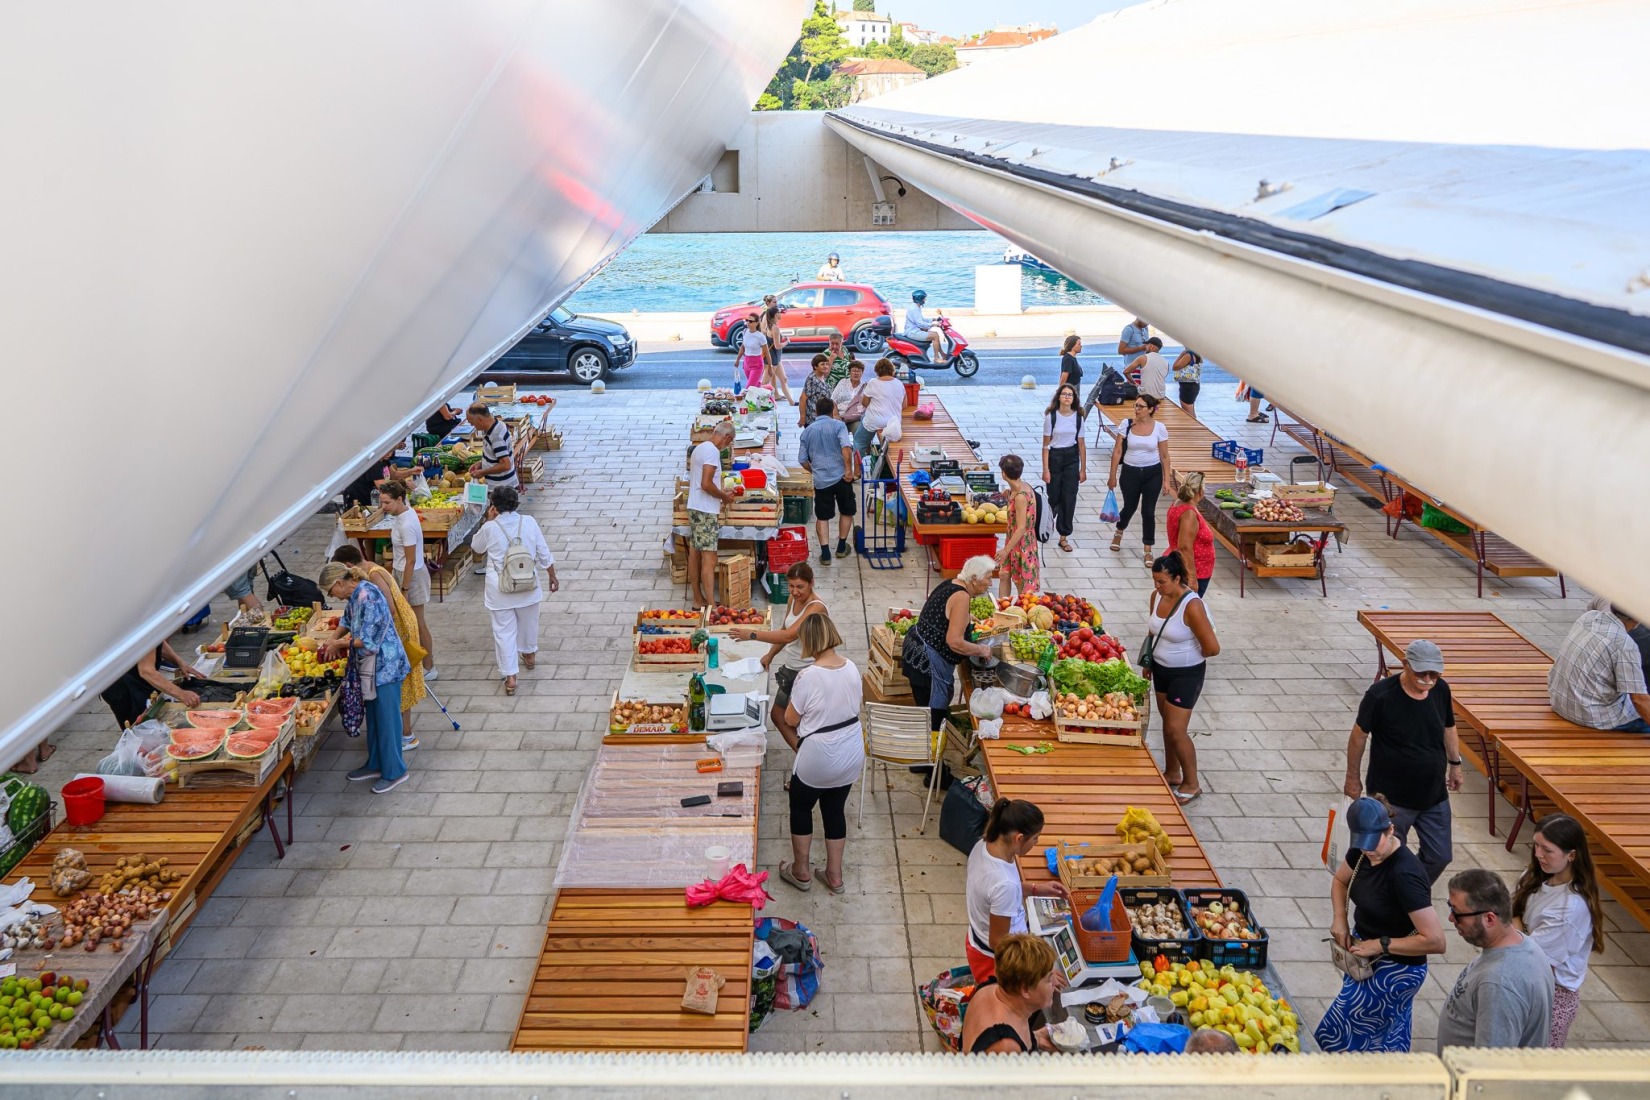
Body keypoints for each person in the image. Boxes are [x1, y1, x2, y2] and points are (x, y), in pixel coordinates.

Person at [1315, 795, 1448, 1052]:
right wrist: (1340, 918)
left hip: (1396, 968)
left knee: (1340, 1026)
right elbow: (1340, 881)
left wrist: (1380, 944)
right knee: (1384, 1031)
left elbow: (1435, 940)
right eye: (1362, 844)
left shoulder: (1405, 875)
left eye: (1373, 844)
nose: (1368, 852)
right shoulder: (1361, 852)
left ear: (1390, 829)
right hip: (1364, 955)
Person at [1343, 638, 1461, 885]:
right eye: (1422, 673)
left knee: (1440, 855)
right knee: (1388, 855)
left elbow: (1449, 728)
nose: (1428, 680)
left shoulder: (1441, 690)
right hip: (1391, 798)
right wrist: (1352, 778)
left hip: (1433, 794)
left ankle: (1411, 888)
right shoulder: (1380, 695)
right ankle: (1395, 896)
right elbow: (1358, 736)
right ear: (1405, 665)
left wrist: (1455, 764)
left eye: (1434, 674)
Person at [773, 615, 863, 894]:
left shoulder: (808, 676)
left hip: (819, 756)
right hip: (851, 750)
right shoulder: (851, 667)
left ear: (809, 641)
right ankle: (834, 876)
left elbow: (789, 719)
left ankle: (801, 871)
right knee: (834, 809)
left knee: (801, 807)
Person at [1511, 814, 1605, 1047]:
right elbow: (1512, 913)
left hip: (1551, 995)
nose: (1538, 854)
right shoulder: (1536, 874)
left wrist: (1516, 926)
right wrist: (1518, 928)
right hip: (1527, 980)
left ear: (1571, 855)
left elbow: (1530, 957)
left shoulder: (1570, 909)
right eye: (1536, 845)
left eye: (1547, 850)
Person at [317, 562, 411, 794]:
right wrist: (334, 637)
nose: (333, 596)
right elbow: (347, 621)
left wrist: (339, 643)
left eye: (331, 592)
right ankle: (376, 763)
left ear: (339, 583)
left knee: (387, 720)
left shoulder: (367, 596)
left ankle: (395, 771)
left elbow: (367, 641)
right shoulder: (355, 596)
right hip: (371, 667)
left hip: (385, 665)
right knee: (375, 717)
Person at [1437, 868, 1555, 1052]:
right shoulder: (1522, 944)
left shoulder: (1499, 985)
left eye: (1457, 912)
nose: (1451, 918)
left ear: (1489, 919)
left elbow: (1490, 1066)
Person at [330, 545, 428, 751]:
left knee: (402, 686)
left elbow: (390, 610)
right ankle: (400, 735)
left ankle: (405, 736)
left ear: (348, 566)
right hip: (393, 630)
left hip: (398, 630)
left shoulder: (371, 579)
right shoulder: (367, 573)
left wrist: (371, 634)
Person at [965, 798, 1069, 982]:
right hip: (995, 963)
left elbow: (994, 893)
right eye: (1035, 838)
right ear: (1019, 838)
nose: (1036, 843)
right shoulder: (1004, 884)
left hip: (976, 938)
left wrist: (1036, 889)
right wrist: (1041, 973)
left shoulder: (983, 846)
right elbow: (998, 942)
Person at [468, 486, 558, 696]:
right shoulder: (529, 522)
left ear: (494, 506)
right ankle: (529, 655)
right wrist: (552, 575)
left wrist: (488, 521)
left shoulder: (490, 528)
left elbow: (477, 547)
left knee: (503, 632)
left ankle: (510, 677)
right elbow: (544, 552)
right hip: (527, 583)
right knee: (529, 622)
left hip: (499, 589)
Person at [1146, 553, 1219, 805]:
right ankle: (1172, 772)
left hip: (1186, 674)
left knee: (1177, 729)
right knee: (1167, 724)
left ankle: (1192, 783)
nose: (1157, 586)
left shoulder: (1193, 606)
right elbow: (1153, 629)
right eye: (1155, 580)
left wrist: (1184, 656)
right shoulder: (1156, 597)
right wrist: (1149, 660)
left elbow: (1212, 648)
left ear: (1177, 578)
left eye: (1162, 581)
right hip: (1160, 670)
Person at [730, 562, 826, 752]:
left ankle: (808, 757)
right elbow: (784, 629)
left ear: (812, 583)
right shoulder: (792, 599)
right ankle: (804, 754)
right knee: (779, 715)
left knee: (794, 718)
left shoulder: (816, 608)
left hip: (808, 672)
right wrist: (770, 654)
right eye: (791, 586)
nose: (795, 591)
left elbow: (790, 635)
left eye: (800, 586)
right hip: (791, 669)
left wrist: (752, 634)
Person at [912, 557, 997, 735]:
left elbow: (945, 615)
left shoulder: (952, 583)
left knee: (926, 714)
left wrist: (965, 617)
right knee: (931, 718)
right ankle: (926, 760)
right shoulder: (962, 596)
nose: (991, 582)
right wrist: (982, 649)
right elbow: (955, 642)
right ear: (974, 579)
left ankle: (930, 757)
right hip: (927, 663)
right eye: (988, 578)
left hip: (915, 651)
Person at [1547, 603, 1650, 732]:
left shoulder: (1588, 617)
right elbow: (1639, 700)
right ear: (1637, 619)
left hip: (1561, 703)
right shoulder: (1624, 645)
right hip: (1595, 717)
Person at [959, 934, 1062, 1054]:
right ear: (1025, 990)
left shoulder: (990, 988)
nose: (1055, 982)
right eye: (1049, 979)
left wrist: (1035, 1038)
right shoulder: (1005, 1046)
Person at [378, 481, 437, 682]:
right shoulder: (405, 512)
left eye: (386, 502)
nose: (383, 506)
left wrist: (404, 588)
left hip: (411, 576)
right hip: (402, 572)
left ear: (399, 500)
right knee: (407, 622)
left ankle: (430, 666)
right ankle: (415, 661)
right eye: (382, 502)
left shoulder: (407, 524)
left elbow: (411, 559)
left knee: (419, 623)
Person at [1106, 394, 1172, 566]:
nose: (1136, 409)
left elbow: (1165, 456)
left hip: (1153, 473)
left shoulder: (1159, 428)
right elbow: (1117, 452)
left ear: (1150, 410)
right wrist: (1112, 475)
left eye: (1140, 406)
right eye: (1135, 405)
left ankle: (1148, 549)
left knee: (1148, 511)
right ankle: (1119, 531)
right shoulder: (1126, 425)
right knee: (1130, 506)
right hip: (1130, 472)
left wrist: (1166, 480)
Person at [94, 641, 207, 737]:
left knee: (150, 722)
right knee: (138, 729)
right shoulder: (145, 622)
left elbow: (157, 642)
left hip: (133, 675)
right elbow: (147, 671)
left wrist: (178, 661)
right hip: (120, 682)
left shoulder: (153, 622)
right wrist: (181, 694)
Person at [797, 395, 857, 562]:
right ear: (832, 411)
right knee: (846, 510)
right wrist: (848, 470)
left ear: (816, 412)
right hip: (841, 478)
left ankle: (825, 554)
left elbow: (802, 459)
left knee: (822, 516)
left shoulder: (808, 431)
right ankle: (841, 547)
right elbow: (846, 448)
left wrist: (814, 469)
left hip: (821, 480)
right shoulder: (839, 426)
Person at [684, 422, 736, 607]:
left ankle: (698, 600)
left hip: (696, 506)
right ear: (727, 438)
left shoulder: (700, 448)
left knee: (695, 554)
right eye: (730, 443)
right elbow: (706, 484)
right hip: (705, 510)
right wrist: (724, 497)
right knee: (710, 558)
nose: (727, 446)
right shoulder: (713, 452)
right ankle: (712, 606)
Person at [1040, 383, 1086, 554]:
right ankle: (1045, 525)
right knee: (1054, 496)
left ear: (1074, 399)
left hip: (1071, 458)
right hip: (1055, 457)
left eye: (1070, 395)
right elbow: (1045, 446)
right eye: (1064, 394)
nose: (1067, 397)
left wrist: (1083, 469)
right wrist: (1046, 469)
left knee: (1069, 496)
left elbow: (1081, 445)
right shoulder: (1051, 418)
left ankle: (1063, 536)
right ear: (1058, 397)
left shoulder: (1078, 418)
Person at [994, 454, 1038, 600]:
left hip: (1022, 543)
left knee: (1022, 585)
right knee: (1004, 574)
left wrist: (1006, 550)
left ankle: (1023, 615)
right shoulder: (1019, 487)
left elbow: (1021, 528)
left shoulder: (1020, 497)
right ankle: (1002, 608)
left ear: (1004, 474)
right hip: (1013, 540)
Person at [1166, 471, 1216, 597]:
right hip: (1195, 571)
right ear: (1200, 491)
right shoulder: (1189, 513)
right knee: (1187, 611)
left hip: (1187, 567)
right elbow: (1184, 547)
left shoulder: (1179, 503)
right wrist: (1192, 577)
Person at [857, 357, 906, 458]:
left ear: (877, 371)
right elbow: (904, 405)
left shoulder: (873, 382)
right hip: (893, 422)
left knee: (859, 441)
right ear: (892, 370)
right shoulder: (899, 383)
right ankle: (870, 448)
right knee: (864, 418)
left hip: (876, 421)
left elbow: (864, 403)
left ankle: (858, 468)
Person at [465, 403, 518, 492]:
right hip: (503, 486)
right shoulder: (498, 424)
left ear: (480, 420)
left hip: (502, 490)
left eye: (472, 423)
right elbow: (496, 456)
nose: (472, 426)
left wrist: (483, 472)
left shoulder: (495, 437)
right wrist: (481, 464)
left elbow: (506, 465)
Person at [759, 304, 794, 405]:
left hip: (775, 358)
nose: (780, 314)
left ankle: (791, 402)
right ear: (775, 315)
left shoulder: (770, 326)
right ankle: (756, 400)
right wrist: (787, 342)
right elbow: (777, 346)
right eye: (779, 312)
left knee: (784, 379)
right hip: (773, 359)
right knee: (764, 383)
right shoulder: (775, 328)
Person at [831, 358, 869, 445]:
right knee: (838, 436)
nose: (856, 373)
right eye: (853, 371)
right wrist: (835, 414)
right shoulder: (843, 382)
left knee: (859, 432)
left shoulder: (865, 386)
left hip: (855, 418)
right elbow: (833, 399)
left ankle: (858, 455)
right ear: (849, 372)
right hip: (840, 416)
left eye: (858, 371)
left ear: (862, 373)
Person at [904, 289, 943, 363]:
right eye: (924, 298)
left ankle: (942, 354)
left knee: (934, 334)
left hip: (914, 330)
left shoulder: (915, 307)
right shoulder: (914, 309)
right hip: (913, 332)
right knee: (935, 336)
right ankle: (936, 358)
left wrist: (934, 319)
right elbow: (920, 323)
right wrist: (934, 324)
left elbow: (921, 319)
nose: (925, 300)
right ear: (920, 299)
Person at [800, 352, 834, 428]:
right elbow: (802, 399)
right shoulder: (812, 379)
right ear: (815, 366)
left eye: (826, 364)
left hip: (823, 417)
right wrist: (802, 417)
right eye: (822, 364)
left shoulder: (822, 376)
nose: (825, 366)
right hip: (813, 420)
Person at [737, 312, 768, 392]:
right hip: (747, 363)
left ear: (757, 323)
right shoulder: (745, 332)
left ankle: (747, 404)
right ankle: (766, 398)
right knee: (755, 386)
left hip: (757, 364)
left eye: (750, 321)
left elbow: (766, 352)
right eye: (747, 320)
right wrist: (737, 360)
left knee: (749, 389)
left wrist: (770, 367)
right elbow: (742, 347)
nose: (748, 323)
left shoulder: (760, 336)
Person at [1172, 349, 1203, 419]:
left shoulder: (1188, 355)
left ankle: (1193, 428)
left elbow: (1175, 367)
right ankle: (1195, 427)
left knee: (1188, 412)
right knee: (1191, 409)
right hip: (1194, 384)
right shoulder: (1198, 354)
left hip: (1187, 386)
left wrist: (1181, 354)